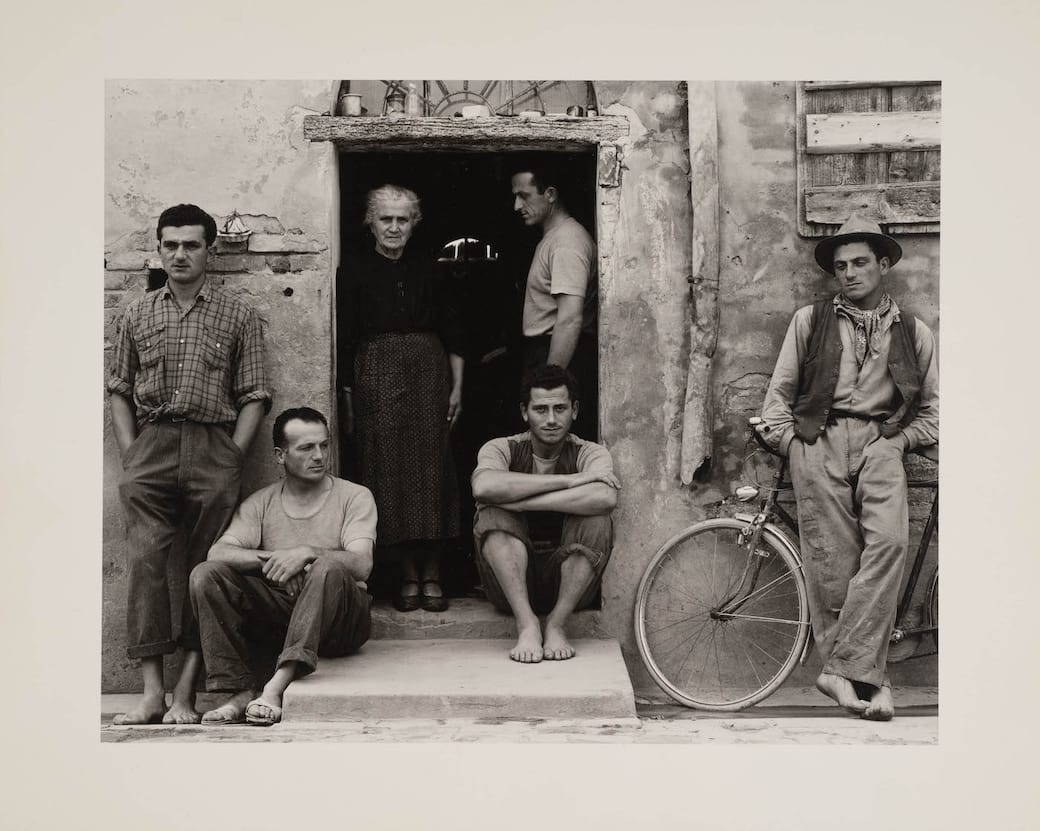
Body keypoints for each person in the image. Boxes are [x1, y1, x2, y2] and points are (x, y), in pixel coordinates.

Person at [758, 214, 939, 721]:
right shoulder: (808, 321)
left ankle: (844, 672)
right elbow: (778, 398)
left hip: (884, 441)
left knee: (890, 544)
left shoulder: (914, 331)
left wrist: (900, 442)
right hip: (820, 439)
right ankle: (872, 682)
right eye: (841, 266)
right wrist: (794, 444)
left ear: (883, 265)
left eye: (861, 263)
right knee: (834, 560)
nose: (850, 273)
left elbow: (935, 412)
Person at [107, 203, 270, 724]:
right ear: (158, 249)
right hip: (151, 448)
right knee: (147, 565)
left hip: (212, 448)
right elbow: (119, 390)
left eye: (192, 245)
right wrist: (132, 456)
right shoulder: (136, 313)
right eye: (171, 245)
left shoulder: (237, 313)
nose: (180, 254)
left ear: (210, 251)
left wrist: (231, 456)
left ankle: (186, 692)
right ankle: (152, 692)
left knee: (207, 570)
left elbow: (254, 394)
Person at [189, 407, 375, 726]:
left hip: (343, 621)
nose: (319, 455)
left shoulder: (354, 496)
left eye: (324, 445)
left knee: (327, 567)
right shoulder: (261, 502)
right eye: (306, 448)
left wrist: (307, 553)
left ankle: (276, 685)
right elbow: (218, 553)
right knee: (206, 575)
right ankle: (238, 691)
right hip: (284, 614)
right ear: (280, 455)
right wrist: (279, 561)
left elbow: (361, 564)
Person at [337, 184, 463, 612]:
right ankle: (406, 572)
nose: (394, 227)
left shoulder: (432, 267)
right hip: (375, 370)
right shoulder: (352, 270)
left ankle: (434, 571)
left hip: (429, 372)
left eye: (402, 219)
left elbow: (455, 330)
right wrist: (349, 398)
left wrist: (458, 387)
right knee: (387, 469)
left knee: (432, 467)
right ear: (370, 222)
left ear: (415, 224)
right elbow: (346, 338)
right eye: (385, 218)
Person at [471, 364, 619, 663]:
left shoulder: (590, 452)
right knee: (492, 514)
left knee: (596, 519)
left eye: (560, 408)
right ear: (525, 412)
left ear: (574, 410)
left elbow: (604, 496)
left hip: (571, 585)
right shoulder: (503, 448)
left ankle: (556, 624)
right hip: (508, 584)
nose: (551, 419)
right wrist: (569, 481)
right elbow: (484, 486)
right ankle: (526, 624)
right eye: (540, 409)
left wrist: (523, 501)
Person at [511, 160, 598, 439]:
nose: (516, 206)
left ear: (550, 194)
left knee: (556, 446)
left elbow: (570, 319)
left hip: (559, 354)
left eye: (524, 196)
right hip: (548, 353)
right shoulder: (554, 239)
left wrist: (550, 382)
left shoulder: (567, 243)